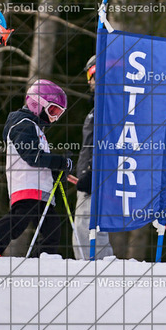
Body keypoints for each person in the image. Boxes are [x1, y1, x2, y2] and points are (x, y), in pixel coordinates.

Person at [0, 80, 73, 257]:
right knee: (18, 221)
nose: (55, 117)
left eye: (59, 114)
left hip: (40, 189)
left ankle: (43, 259)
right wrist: (59, 162)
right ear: (37, 103)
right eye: (53, 110)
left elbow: (41, 161)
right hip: (27, 185)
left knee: (52, 228)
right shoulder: (22, 124)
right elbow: (33, 156)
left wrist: (57, 171)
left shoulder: (36, 128)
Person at [72, 56, 113, 259]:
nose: (91, 80)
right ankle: (93, 267)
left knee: (88, 227)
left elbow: (108, 143)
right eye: (90, 75)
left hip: (97, 178)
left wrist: (92, 172)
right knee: (84, 228)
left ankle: (98, 269)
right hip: (90, 176)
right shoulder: (98, 107)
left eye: (94, 74)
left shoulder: (110, 107)